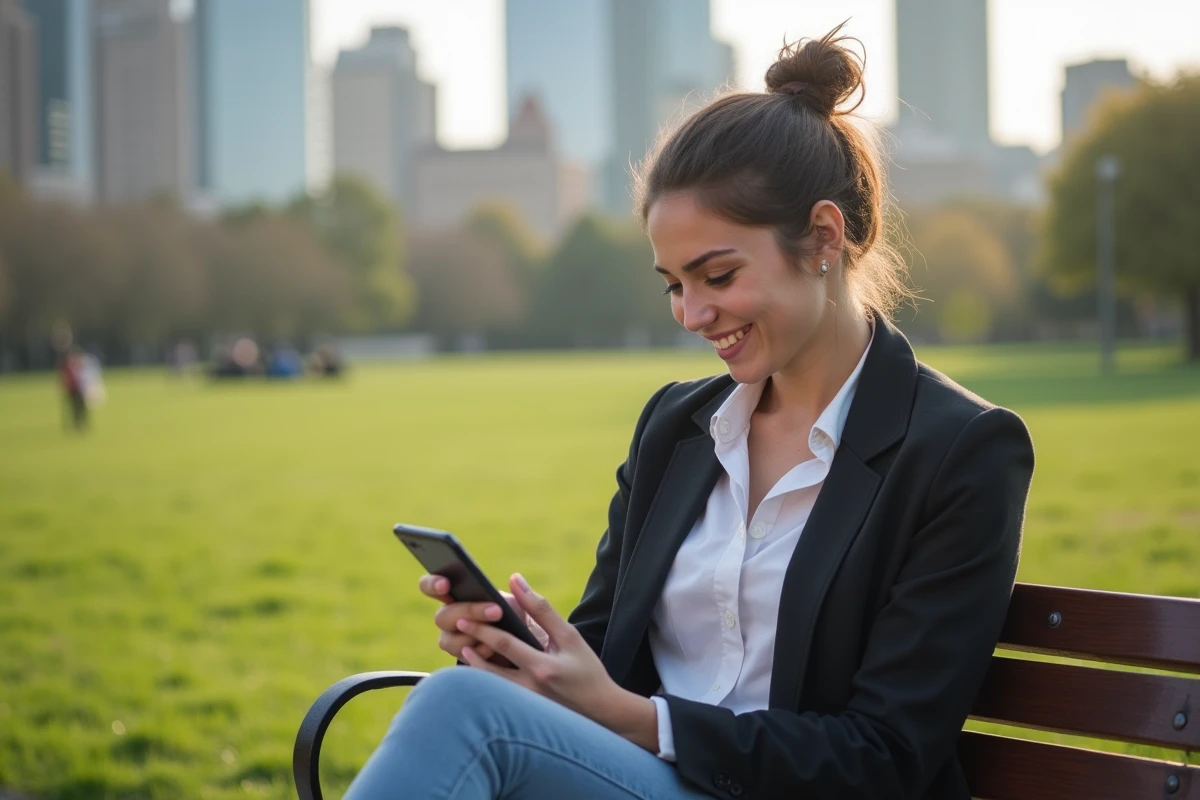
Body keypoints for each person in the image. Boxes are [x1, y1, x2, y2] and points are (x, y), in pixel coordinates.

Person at [345, 26, 1034, 800]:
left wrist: (643, 721)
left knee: (461, 714)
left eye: (717, 275)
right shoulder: (676, 428)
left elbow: (885, 757)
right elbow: (609, 654)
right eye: (674, 283)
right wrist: (533, 657)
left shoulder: (961, 450)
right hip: (647, 780)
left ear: (823, 239)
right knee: (472, 700)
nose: (692, 313)